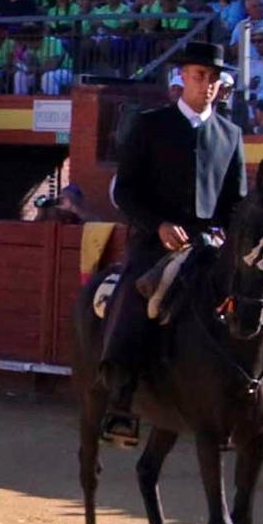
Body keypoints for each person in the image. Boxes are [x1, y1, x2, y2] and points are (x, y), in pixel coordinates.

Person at [98, 41, 246, 446]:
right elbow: (126, 192)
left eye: (214, 78)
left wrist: (230, 239)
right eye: (200, 76)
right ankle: (122, 400)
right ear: (182, 77)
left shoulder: (230, 134)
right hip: (155, 243)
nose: (208, 84)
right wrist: (159, 225)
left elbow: (235, 203)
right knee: (136, 297)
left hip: (209, 247)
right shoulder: (149, 125)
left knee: (261, 300)